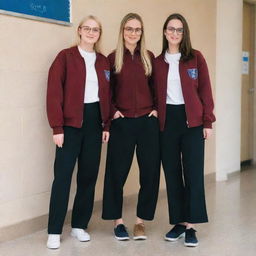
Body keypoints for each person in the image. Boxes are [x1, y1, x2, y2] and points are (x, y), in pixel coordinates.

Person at [46, 15, 110, 249]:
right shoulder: (65, 57)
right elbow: (54, 93)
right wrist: (57, 127)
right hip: (70, 125)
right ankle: (54, 230)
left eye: (96, 29)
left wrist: (106, 125)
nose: (91, 32)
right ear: (80, 31)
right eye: (87, 28)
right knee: (62, 177)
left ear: (99, 34)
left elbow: (108, 96)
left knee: (88, 177)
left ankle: (78, 226)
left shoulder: (104, 62)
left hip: (95, 123)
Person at [154, 13, 216, 247]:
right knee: (171, 173)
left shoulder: (195, 58)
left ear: (184, 33)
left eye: (179, 30)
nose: (175, 33)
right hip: (168, 122)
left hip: (193, 122)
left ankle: (191, 226)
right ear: (164, 32)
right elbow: (153, 93)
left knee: (193, 173)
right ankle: (178, 223)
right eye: (171, 29)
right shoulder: (158, 62)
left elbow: (206, 91)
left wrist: (207, 121)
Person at [102, 13, 160, 241]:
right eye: (129, 28)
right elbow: (106, 91)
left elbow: (158, 88)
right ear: (122, 31)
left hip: (147, 123)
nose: (133, 33)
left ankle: (140, 222)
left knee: (150, 173)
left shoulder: (149, 57)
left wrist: (155, 109)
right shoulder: (112, 57)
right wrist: (113, 112)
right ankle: (118, 222)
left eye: (137, 29)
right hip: (122, 123)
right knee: (116, 174)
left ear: (142, 32)